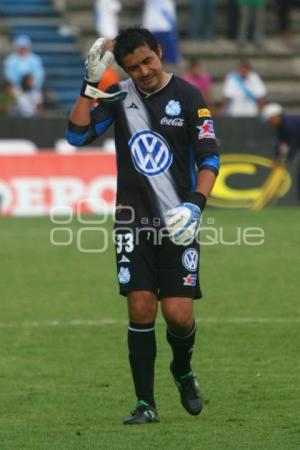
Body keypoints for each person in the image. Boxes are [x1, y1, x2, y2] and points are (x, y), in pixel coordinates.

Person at [66, 27, 219, 425]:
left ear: (160, 51)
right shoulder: (119, 96)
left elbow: (210, 160)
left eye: (148, 62)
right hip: (132, 222)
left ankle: (183, 371)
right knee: (140, 307)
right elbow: (76, 134)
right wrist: (89, 84)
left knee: (179, 315)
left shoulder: (188, 97)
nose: (143, 72)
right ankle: (145, 404)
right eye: (133, 67)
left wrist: (196, 206)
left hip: (180, 222)